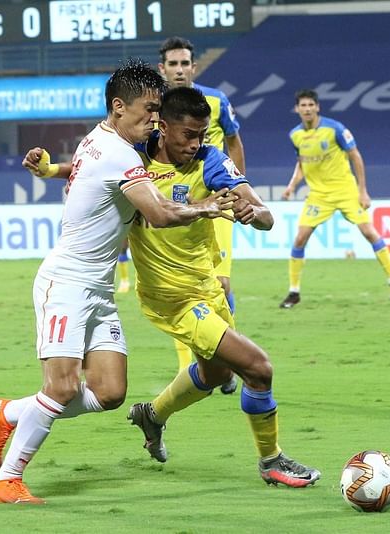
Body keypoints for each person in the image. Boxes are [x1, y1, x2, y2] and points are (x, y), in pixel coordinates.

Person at [0, 60, 233, 505]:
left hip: (97, 290)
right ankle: (7, 480)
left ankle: (10, 412)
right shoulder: (118, 153)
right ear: (119, 106)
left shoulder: (100, 138)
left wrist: (47, 169)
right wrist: (207, 207)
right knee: (60, 387)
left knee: (110, 392)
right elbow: (159, 214)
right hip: (67, 283)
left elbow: (79, 172)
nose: (155, 120)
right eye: (149, 109)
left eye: (158, 111)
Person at [125, 87, 320, 488]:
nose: (196, 143)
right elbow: (85, 167)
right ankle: (271, 461)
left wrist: (256, 213)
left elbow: (264, 215)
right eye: (189, 135)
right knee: (258, 368)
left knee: (213, 374)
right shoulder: (133, 155)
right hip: (170, 299)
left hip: (206, 288)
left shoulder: (210, 160)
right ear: (162, 127)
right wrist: (49, 170)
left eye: (202, 134)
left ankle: (153, 414)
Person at [158, 36, 245, 393]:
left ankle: (231, 358)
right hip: (175, 206)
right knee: (180, 287)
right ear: (163, 69)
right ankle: (190, 368)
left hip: (216, 203)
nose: (179, 70)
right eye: (173, 64)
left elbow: (235, 141)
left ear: (194, 67)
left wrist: (239, 188)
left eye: (185, 64)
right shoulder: (155, 106)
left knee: (220, 283)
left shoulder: (216, 100)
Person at [279, 89, 390, 308]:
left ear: (317, 107)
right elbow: (302, 163)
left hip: (345, 190)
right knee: (300, 238)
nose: (307, 109)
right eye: (303, 105)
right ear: (297, 109)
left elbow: (356, 156)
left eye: (311, 105)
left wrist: (362, 190)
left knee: (368, 232)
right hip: (318, 195)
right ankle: (294, 292)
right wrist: (291, 186)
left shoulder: (334, 128)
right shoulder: (295, 135)